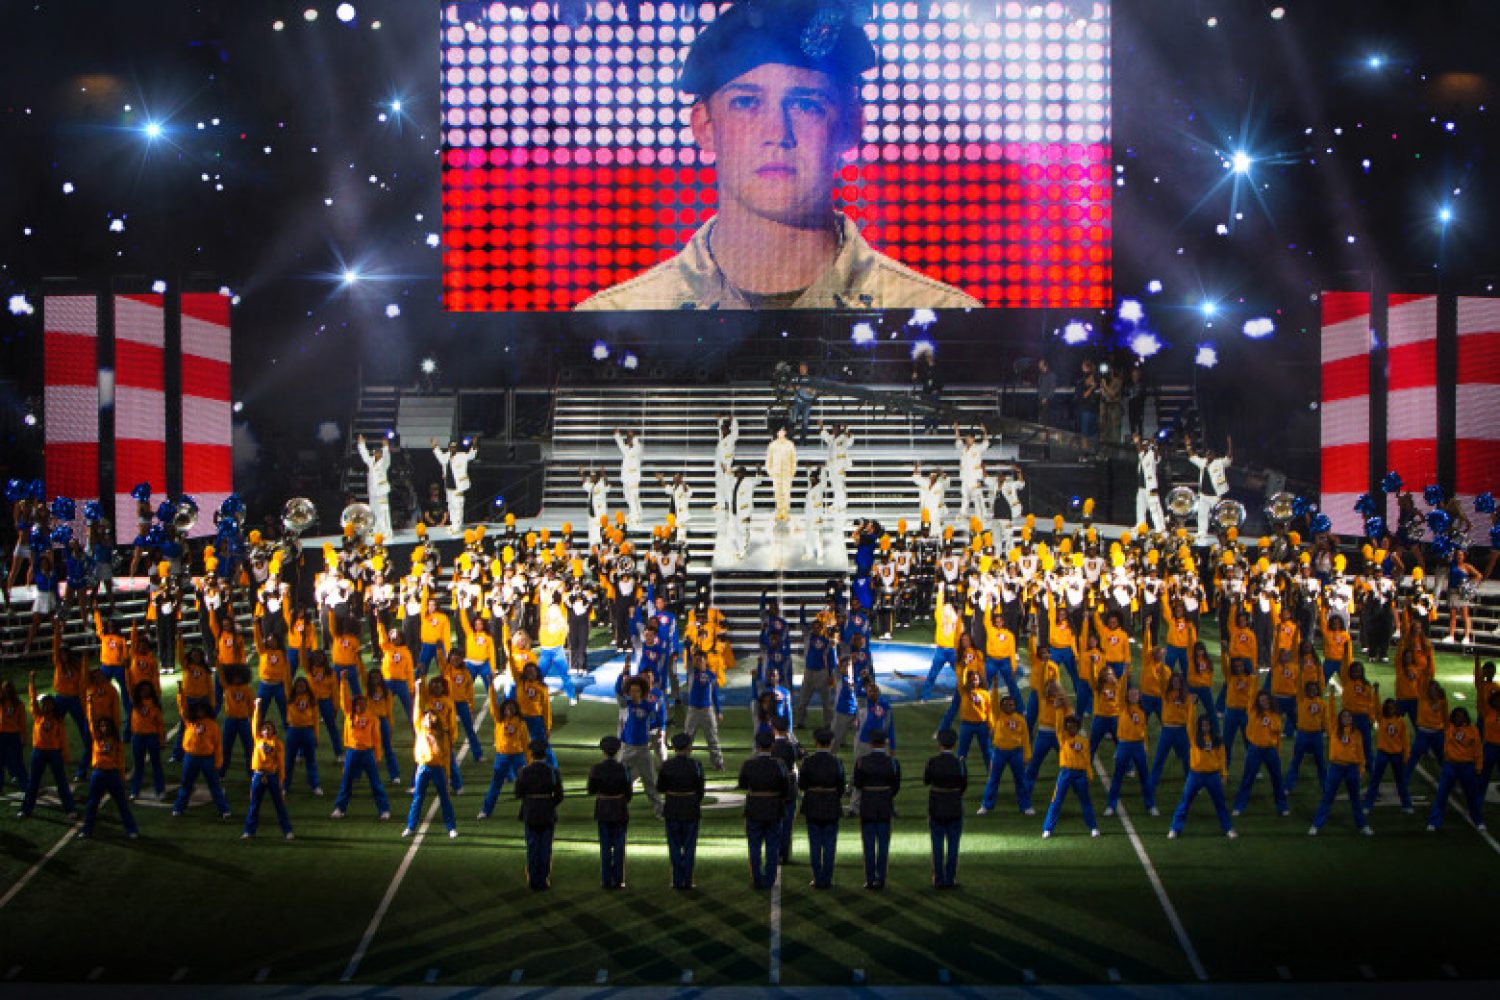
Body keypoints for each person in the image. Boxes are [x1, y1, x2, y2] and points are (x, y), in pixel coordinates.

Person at [574, 0, 979, 312]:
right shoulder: (617, 323)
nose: (777, 134)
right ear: (704, 126)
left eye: (806, 104)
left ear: (850, 126)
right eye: (747, 103)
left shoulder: (940, 319)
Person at [1168, 709, 1237, 839]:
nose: (1205, 727)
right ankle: (1175, 829)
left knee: (1220, 803)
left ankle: (1228, 828)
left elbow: (1222, 758)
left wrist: (1224, 774)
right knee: (1185, 802)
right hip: (1195, 775)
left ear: (1211, 726)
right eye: (1202, 725)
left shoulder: (1217, 740)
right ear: (1199, 726)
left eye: (1207, 725)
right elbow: (1189, 722)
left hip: (1213, 776)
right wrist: (1192, 706)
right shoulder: (1194, 737)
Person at [330, 677, 392, 821]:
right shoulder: (349, 714)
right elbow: (343, 700)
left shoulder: (372, 717)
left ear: (366, 704)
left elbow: (377, 738)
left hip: (367, 753)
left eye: (362, 703)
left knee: (375, 782)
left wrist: (378, 756)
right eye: (357, 703)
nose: (360, 706)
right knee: (346, 781)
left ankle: (384, 810)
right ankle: (340, 808)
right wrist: (344, 681)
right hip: (352, 752)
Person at [405, 679, 459, 839]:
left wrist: (447, 773)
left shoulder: (442, 736)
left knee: (444, 798)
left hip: (438, 767)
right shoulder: (420, 727)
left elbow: (447, 756)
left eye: (431, 717)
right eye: (426, 716)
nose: (427, 719)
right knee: (417, 798)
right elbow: (417, 709)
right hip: (422, 766)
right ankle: (410, 826)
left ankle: (451, 827)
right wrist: (417, 688)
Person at [738, 730, 791, 890]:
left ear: (757, 745)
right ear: (772, 745)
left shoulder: (749, 764)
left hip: (754, 808)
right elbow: (786, 788)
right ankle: (770, 878)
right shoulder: (780, 765)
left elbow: (742, 784)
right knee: (772, 846)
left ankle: (757, 878)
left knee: (754, 846)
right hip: (774, 808)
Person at [1310, 707, 1372, 836]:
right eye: (1344, 716)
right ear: (1339, 718)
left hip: (1352, 768)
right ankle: (1316, 825)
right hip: (1336, 767)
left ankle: (1363, 826)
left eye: (1349, 716)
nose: (1347, 718)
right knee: (1328, 797)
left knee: (1355, 799)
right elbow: (1330, 713)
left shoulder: (1356, 733)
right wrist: (1332, 697)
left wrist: (1361, 769)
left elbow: (1361, 752)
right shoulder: (1333, 729)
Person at [657, 732, 707, 890]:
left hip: (672, 808)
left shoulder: (667, 765)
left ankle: (677, 879)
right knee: (690, 846)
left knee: (674, 846)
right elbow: (700, 789)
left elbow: (660, 787)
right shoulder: (696, 765)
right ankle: (687, 880)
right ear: (688, 747)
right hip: (690, 807)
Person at [514, 737, 565, 889]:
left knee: (532, 845)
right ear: (545, 754)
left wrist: (530, 802)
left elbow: (518, 793)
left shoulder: (524, 771)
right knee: (545, 846)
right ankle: (543, 879)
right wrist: (549, 804)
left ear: (532, 754)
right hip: (547, 812)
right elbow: (560, 795)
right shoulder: (553, 771)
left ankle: (533, 878)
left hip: (530, 812)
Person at [852, 728, 900, 888]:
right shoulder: (892, 762)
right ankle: (881, 878)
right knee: (883, 844)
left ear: (871, 743)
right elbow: (896, 786)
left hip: (868, 805)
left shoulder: (861, 761)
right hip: (885, 805)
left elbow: (857, 784)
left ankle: (870, 878)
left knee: (868, 844)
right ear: (885, 742)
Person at [1425, 706, 1485, 833]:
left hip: (1467, 766)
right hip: (1450, 765)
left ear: (1465, 717)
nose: (1458, 718)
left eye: (1461, 715)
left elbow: (1478, 750)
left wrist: (1478, 767)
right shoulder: (1448, 727)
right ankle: (1434, 822)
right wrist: (1442, 701)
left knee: (1471, 795)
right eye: (1456, 716)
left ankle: (1478, 820)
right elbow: (1443, 711)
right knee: (1442, 794)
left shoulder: (1473, 730)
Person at [799, 726, 846, 889]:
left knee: (815, 843)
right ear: (830, 742)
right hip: (831, 805)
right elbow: (841, 787)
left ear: (816, 742)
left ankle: (817, 877)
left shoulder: (808, 761)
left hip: (812, 805)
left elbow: (802, 785)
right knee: (829, 844)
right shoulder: (837, 762)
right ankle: (826, 878)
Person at [78, 715, 138, 840]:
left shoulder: (116, 741)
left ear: (111, 727)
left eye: (106, 726)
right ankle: (87, 830)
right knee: (92, 804)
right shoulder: (96, 738)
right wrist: (89, 701)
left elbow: (121, 760)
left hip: (112, 774)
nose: (104, 728)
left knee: (122, 804)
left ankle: (131, 829)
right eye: (102, 726)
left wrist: (122, 776)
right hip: (98, 774)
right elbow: (90, 718)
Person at [243, 698, 294, 840]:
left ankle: (287, 831)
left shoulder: (278, 744)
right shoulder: (258, 739)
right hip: (258, 775)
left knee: (279, 805)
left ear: (273, 731)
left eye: (269, 729)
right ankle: (249, 831)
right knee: (254, 805)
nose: (266, 731)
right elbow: (254, 724)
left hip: (272, 776)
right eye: (264, 728)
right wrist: (257, 707)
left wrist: (282, 781)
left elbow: (281, 763)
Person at [1041, 715, 1099, 839]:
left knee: (1085, 801)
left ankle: (1093, 828)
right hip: (1066, 773)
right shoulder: (1063, 738)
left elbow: (1087, 760)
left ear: (1078, 728)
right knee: (1056, 801)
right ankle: (1047, 829)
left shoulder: (1084, 741)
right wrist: (1060, 709)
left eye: (1073, 727)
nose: (1070, 729)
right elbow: (1058, 726)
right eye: (1068, 727)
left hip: (1080, 774)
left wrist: (1090, 775)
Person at [172, 698, 231, 819]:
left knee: (214, 785)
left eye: (202, 709)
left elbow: (218, 745)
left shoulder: (213, 725)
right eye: (197, 710)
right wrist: (180, 693)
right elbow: (182, 708)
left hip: (207, 759)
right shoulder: (189, 721)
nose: (200, 712)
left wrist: (218, 761)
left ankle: (224, 809)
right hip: (191, 757)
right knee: (186, 784)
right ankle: (178, 808)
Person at [588, 735, 633, 890]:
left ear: (603, 751)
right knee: (619, 845)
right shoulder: (624, 769)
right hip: (619, 807)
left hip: (603, 808)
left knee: (605, 846)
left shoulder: (596, 769)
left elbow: (591, 790)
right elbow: (628, 792)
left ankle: (606, 879)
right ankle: (619, 879)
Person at [923, 729, 966, 889]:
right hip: (954, 805)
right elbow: (963, 785)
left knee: (937, 844)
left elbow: (926, 780)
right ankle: (950, 878)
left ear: (939, 744)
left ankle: (938, 878)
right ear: (954, 744)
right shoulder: (959, 763)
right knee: (953, 844)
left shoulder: (932, 762)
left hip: (936, 806)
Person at [978, 693, 1033, 816]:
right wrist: (995, 685)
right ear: (1001, 706)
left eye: (1011, 704)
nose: (1009, 706)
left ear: (1015, 706)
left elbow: (1025, 738)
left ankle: (1026, 806)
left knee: (1021, 780)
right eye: (1006, 704)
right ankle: (986, 805)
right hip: (999, 752)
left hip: (1016, 752)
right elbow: (993, 701)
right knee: (993, 779)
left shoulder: (1020, 719)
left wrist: (1027, 755)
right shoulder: (998, 715)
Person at [618, 675, 664, 816]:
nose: (634, 694)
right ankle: (619, 809)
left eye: (637, 691)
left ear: (643, 692)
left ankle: (660, 810)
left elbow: (659, 717)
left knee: (650, 781)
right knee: (620, 781)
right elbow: (617, 690)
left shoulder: (648, 706)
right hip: (627, 748)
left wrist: (657, 728)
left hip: (643, 748)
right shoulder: (626, 705)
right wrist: (622, 674)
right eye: (632, 691)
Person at [682, 650, 725, 770]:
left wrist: (719, 710)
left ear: (705, 660)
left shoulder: (711, 675)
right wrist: (688, 645)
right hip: (693, 710)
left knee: (712, 737)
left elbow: (714, 694)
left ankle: (718, 763)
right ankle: (683, 760)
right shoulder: (692, 673)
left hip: (707, 710)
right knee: (687, 737)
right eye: (696, 660)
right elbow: (689, 660)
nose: (698, 662)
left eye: (700, 659)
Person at [1186, 434, 1232, 542]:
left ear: (1214, 455)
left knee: (1219, 515)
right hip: (1203, 495)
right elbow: (1192, 456)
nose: (1209, 455)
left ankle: (1223, 532)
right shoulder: (1202, 463)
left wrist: (1229, 443)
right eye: (1207, 454)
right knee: (1202, 514)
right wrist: (1188, 445)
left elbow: (1229, 458)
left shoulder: (1219, 463)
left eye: (1211, 454)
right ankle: (1202, 532)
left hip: (1215, 496)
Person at [431, 437, 477, 536]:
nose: (452, 449)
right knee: (451, 506)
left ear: (457, 448)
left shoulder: (462, 456)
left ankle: (458, 526)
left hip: (459, 486)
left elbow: (471, 455)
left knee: (458, 506)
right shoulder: (446, 456)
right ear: (448, 448)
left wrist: (474, 445)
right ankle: (453, 525)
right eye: (451, 447)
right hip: (449, 486)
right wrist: (435, 446)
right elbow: (439, 456)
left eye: (454, 447)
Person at [356, 434, 394, 540]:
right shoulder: (371, 461)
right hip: (373, 491)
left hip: (382, 491)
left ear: (380, 453)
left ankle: (386, 533)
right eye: (374, 452)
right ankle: (375, 530)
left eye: (378, 452)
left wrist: (386, 447)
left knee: (383, 511)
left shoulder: (384, 463)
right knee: (374, 511)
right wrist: (361, 444)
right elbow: (364, 455)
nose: (376, 454)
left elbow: (387, 456)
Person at [954, 423, 990, 523]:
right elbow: (958, 441)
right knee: (965, 497)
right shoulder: (963, 449)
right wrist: (956, 430)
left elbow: (986, 443)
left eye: (969, 438)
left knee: (978, 498)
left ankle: (982, 516)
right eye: (966, 438)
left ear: (973, 439)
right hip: (965, 477)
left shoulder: (978, 448)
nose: (967, 440)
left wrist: (984, 431)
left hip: (974, 478)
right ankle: (962, 514)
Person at [818, 421, 853, 517]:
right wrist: (821, 426)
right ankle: (836, 504)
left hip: (840, 466)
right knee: (835, 486)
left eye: (837, 428)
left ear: (839, 428)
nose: (835, 429)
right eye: (833, 428)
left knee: (839, 486)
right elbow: (824, 436)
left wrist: (847, 430)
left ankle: (841, 506)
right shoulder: (831, 438)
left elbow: (850, 441)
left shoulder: (844, 438)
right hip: (832, 466)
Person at [765, 426, 798, 523]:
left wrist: (792, 471)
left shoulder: (790, 445)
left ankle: (786, 512)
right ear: (777, 433)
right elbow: (769, 460)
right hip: (776, 472)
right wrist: (770, 471)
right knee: (778, 493)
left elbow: (793, 460)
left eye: (783, 431)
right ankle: (779, 512)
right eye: (780, 431)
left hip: (787, 472)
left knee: (786, 492)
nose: (781, 432)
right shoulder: (772, 445)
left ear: (785, 432)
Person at [614, 429, 644, 526]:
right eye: (628, 435)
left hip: (634, 477)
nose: (629, 437)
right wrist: (617, 436)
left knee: (633, 496)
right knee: (628, 496)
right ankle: (637, 512)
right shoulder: (627, 448)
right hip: (626, 477)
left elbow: (630, 446)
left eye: (631, 435)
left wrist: (629, 440)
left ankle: (635, 517)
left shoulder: (638, 447)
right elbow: (622, 446)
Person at [713, 415, 740, 512]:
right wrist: (720, 419)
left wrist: (734, 421)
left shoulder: (731, 438)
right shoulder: (721, 438)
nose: (722, 431)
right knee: (719, 484)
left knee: (728, 485)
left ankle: (730, 503)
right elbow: (719, 428)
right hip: (719, 466)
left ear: (728, 429)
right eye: (721, 429)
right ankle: (721, 504)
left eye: (724, 429)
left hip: (727, 466)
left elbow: (736, 431)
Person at [790, 362, 817, 443]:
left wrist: (809, 390)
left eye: (803, 368)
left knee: (805, 422)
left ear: (806, 369)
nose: (802, 370)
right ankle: (791, 439)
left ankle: (803, 439)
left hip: (807, 402)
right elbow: (789, 387)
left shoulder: (811, 379)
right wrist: (795, 387)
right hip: (797, 402)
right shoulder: (796, 378)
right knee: (793, 421)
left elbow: (814, 392)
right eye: (801, 368)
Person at [1035, 358, 1057, 426]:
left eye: (1040, 364)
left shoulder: (1051, 375)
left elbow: (1052, 388)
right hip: (1040, 398)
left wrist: (1046, 398)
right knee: (1041, 418)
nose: (1038, 365)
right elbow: (1039, 386)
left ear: (1044, 365)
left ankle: (1045, 433)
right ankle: (1041, 433)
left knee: (1046, 419)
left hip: (1047, 400)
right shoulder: (1041, 375)